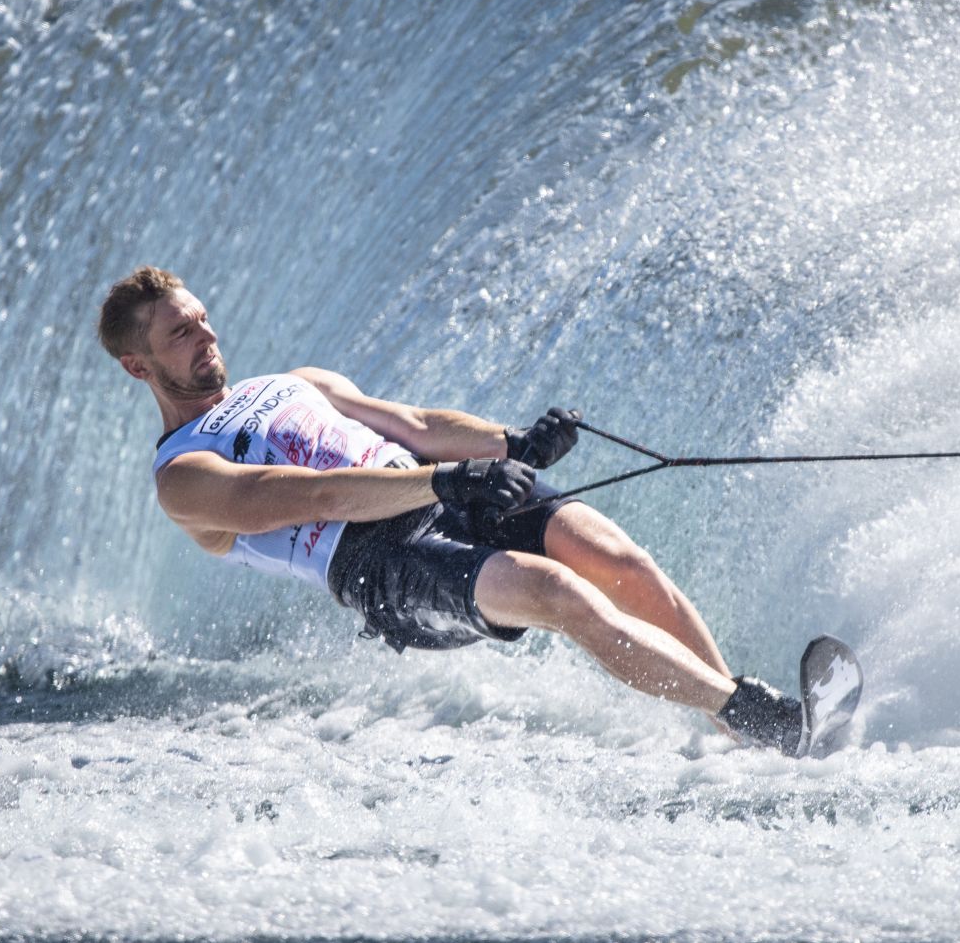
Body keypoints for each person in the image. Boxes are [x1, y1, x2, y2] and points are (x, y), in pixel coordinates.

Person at [98, 266, 809, 754]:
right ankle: (758, 714)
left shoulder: (293, 381)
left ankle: (742, 729)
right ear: (139, 366)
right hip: (379, 563)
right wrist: (443, 482)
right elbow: (316, 495)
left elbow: (410, 422)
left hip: (441, 483)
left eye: (202, 319)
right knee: (556, 592)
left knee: (621, 562)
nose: (206, 338)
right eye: (180, 335)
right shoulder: (184, 476)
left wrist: (512, 440)